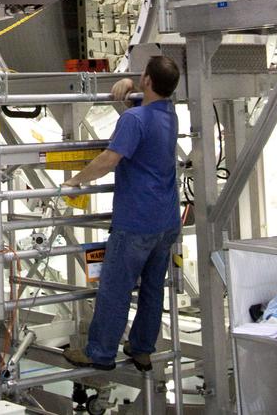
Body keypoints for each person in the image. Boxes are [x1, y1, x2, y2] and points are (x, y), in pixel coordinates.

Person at [60, 55, 182, 372]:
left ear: (147, 80)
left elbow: (109, 159)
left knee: (115, 289)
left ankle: (100, 353)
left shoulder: (133, 120)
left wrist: (75, 180)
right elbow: (146, 115)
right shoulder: (170, 114)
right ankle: (142, 348)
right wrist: (130, 88)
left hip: (136, 221)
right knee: (152, 289)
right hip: (166, 221)